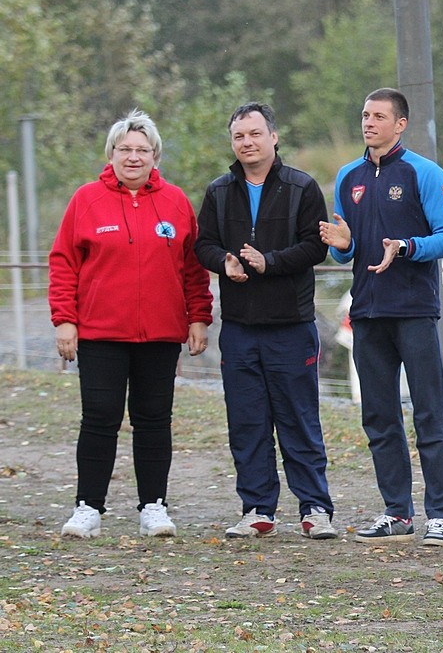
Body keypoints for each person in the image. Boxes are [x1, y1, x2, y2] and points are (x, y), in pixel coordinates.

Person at [50, 109, 213, 538]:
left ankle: (153, 506)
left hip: (160, 334)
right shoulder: (86, 199)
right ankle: (88, 507)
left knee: (154, 419)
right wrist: (65, 320)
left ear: (155, 156)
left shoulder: (175, 202)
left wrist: (199, 316)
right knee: (99, 418)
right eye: (125, 149)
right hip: (100, 334)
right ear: (112, 154)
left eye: (143, 150)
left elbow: (193, 268)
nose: (134, 157)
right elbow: (64, 263)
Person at [319, 88, 443, 546]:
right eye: (365, 114)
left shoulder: (424, 172)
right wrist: (343, 246)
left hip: (415, 311)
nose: (369, 122)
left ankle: (440, 515)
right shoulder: (348, 176)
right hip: (367, 312)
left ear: (400, 124)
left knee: (430, 415)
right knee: (379, 418)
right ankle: (397, 512)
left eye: (379, 116)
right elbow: (345, 252)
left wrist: (406, 246)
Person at [194, 102, 337, 540]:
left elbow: (316, 246)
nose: (247, 143)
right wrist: (224, 262)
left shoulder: (301, 187)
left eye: (255, 134)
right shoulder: (219, 191)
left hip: (291, 325)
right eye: (239, 136)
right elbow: (203, 245)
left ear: (273, 137)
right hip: (239, 328)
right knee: (247, 422)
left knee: (299, 420)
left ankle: (315, 508)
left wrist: (269, 262)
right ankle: (257, 509)